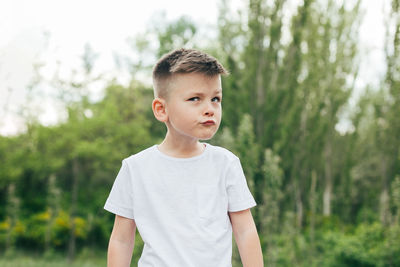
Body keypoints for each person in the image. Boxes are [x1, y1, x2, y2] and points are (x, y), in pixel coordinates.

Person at [104, 48, 264, 266]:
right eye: (195, 98)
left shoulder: (226, 164)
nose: (210, 109)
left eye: (216, 99)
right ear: (161, 109)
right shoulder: (135, 168)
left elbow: (245, 231)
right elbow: (121, 240)